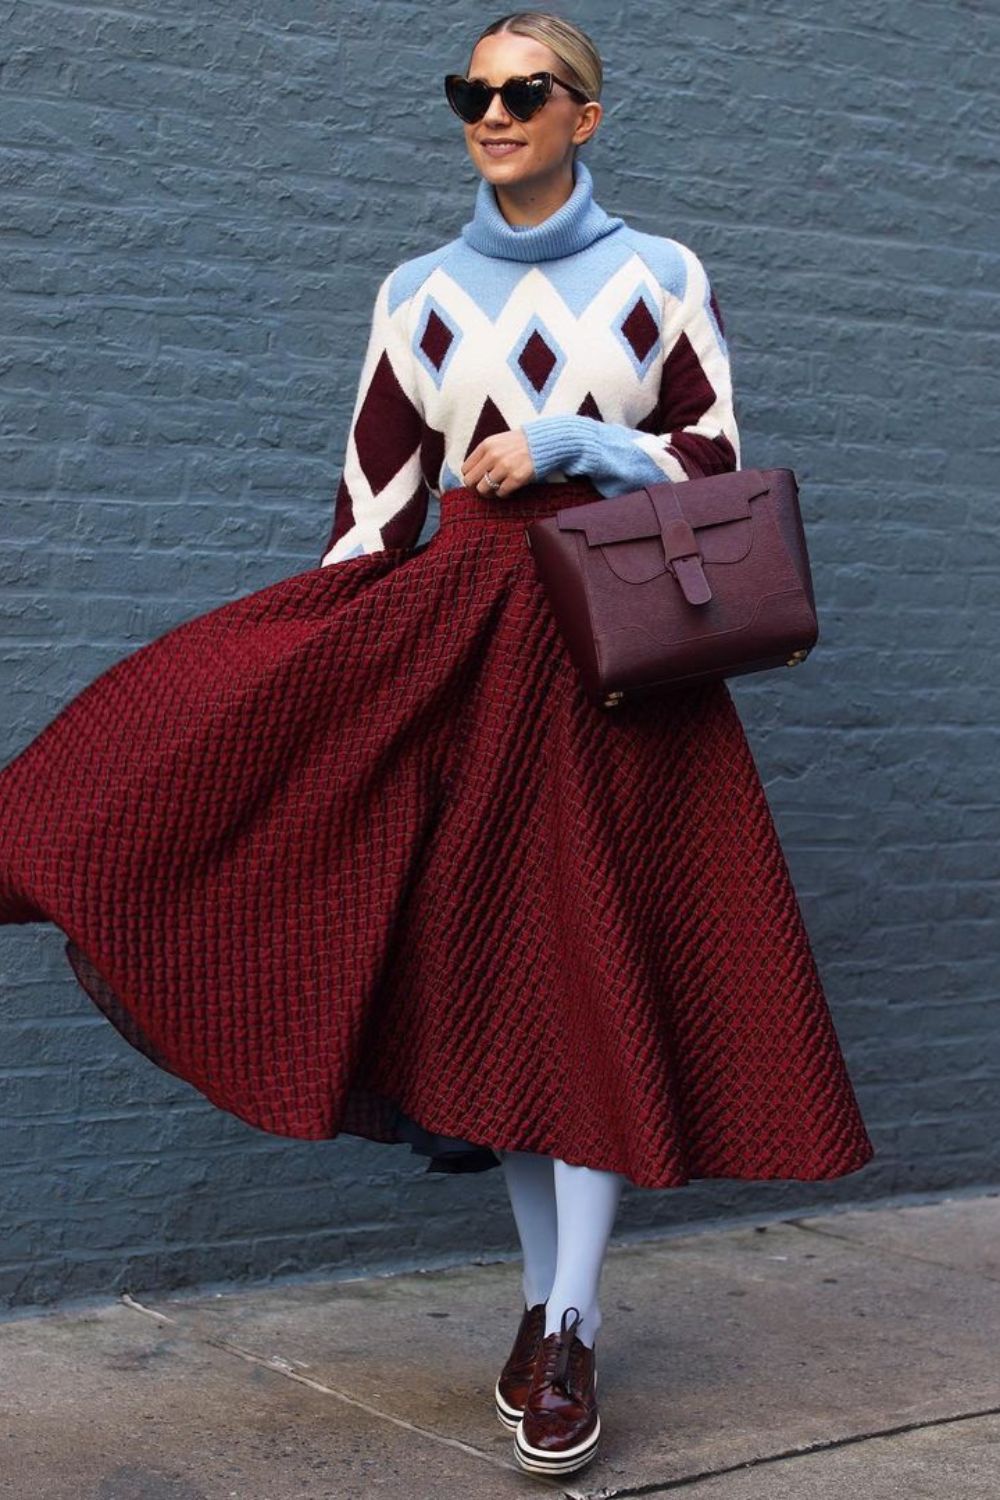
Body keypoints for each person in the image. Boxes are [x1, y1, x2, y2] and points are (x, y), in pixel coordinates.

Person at [0, 9, 875, 1483]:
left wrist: (576, 446)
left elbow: (721, 470)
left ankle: (570, 1328)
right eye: (472, 89)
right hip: (465, 658)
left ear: (586, 114)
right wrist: (301, 694)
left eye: (525, 89)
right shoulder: (414, 291)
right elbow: (369, 516)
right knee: (513, 994)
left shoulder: (662, 276)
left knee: (587, 978)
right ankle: (546, 1307)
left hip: (611, 670)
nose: (493, 110)